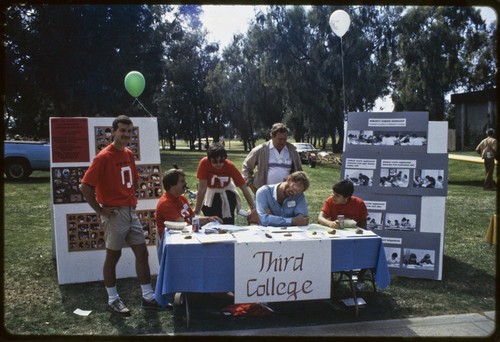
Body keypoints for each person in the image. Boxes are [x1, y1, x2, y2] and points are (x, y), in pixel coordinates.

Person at [79, 115, 160, 316]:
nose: (125, 134)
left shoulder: (129, 154)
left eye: (129, 131)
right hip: (113, 213)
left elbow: (130, 181)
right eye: (122, 130)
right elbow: (85, 186)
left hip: (129, 210)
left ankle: (148, 296)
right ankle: (113, 299)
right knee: (113, 255)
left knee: (142, 252)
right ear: (113, 131)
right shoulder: (103, 157)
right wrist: (100, 210)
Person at [317, 179, 368, 290]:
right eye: (333, 193)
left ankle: (360, 276)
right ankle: (326, 277)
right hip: (334, 237)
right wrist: (330, 223)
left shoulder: (359, 203)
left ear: (346, 197)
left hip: (353, 238)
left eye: (337, 195)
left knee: (369, 248)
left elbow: (364, 226)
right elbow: (320, 218)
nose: (333, 196)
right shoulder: (330, 201)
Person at [194, 142, 255, 224]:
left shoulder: (229, 166)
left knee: (227, 223)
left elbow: (244, 188)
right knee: (211, 222)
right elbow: (202, 188)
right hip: (210, 193)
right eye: (215, 161)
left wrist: (253, 208)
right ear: (209, 159)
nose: (219, 164)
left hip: (227, 192)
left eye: (221, 161)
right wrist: (196, 210)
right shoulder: (204, 163)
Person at [155, 168, 221, 241]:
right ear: (172, 185)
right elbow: (184, 225)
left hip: (186, 236)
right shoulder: (165, 203)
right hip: (175, 242)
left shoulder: (182, 198)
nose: (185, 183)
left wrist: (209, 219)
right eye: (182, 181)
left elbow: (192, 219)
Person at [242, 123, 303, 195]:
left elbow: (299, 172)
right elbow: (246, 167)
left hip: (286, 194)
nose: (283, 142)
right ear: (272, 136)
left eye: (285, 139)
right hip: (264, 194)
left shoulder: (292, 151)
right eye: (280, 139)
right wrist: (252, 186)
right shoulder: (261, 150)